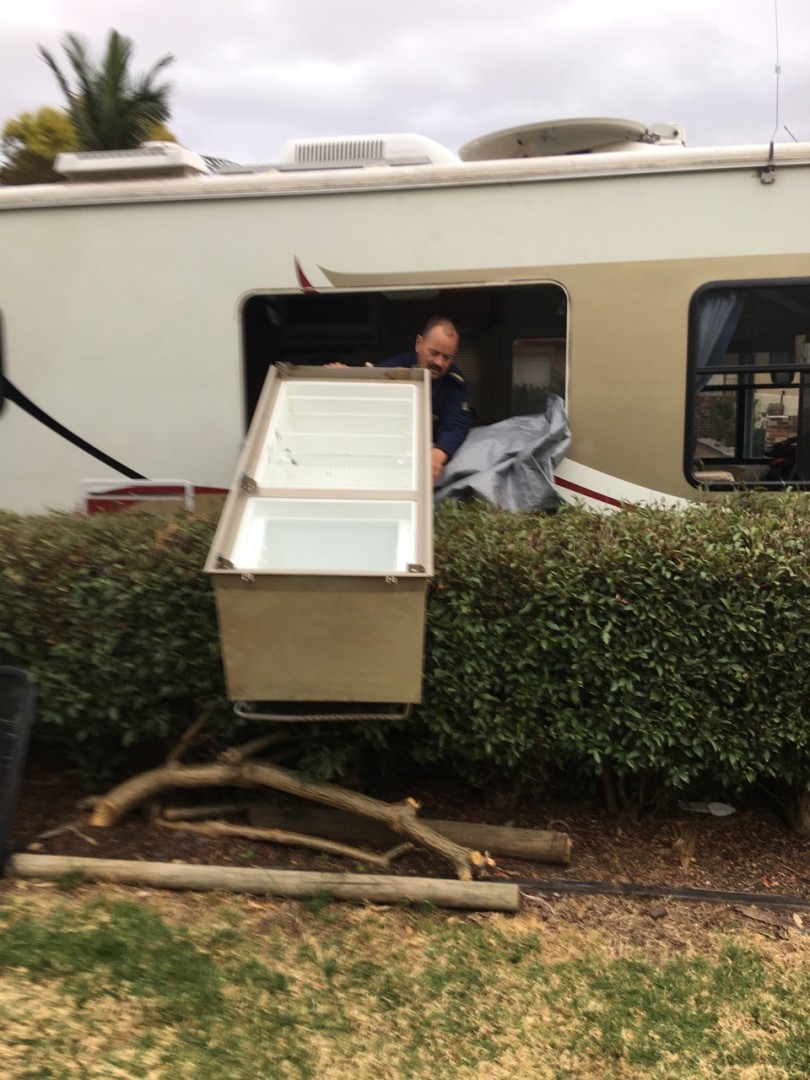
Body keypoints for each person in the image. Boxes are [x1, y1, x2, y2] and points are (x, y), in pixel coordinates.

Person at [377, 317, 471, 483]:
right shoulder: (391, 370)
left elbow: (456, 424)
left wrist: (439, 453)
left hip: (430, 457)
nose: (439, 363)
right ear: (419, 344)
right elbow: (366, 391)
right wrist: (344, 376)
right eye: (434, 353)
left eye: (446, 357)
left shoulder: (454, 383)